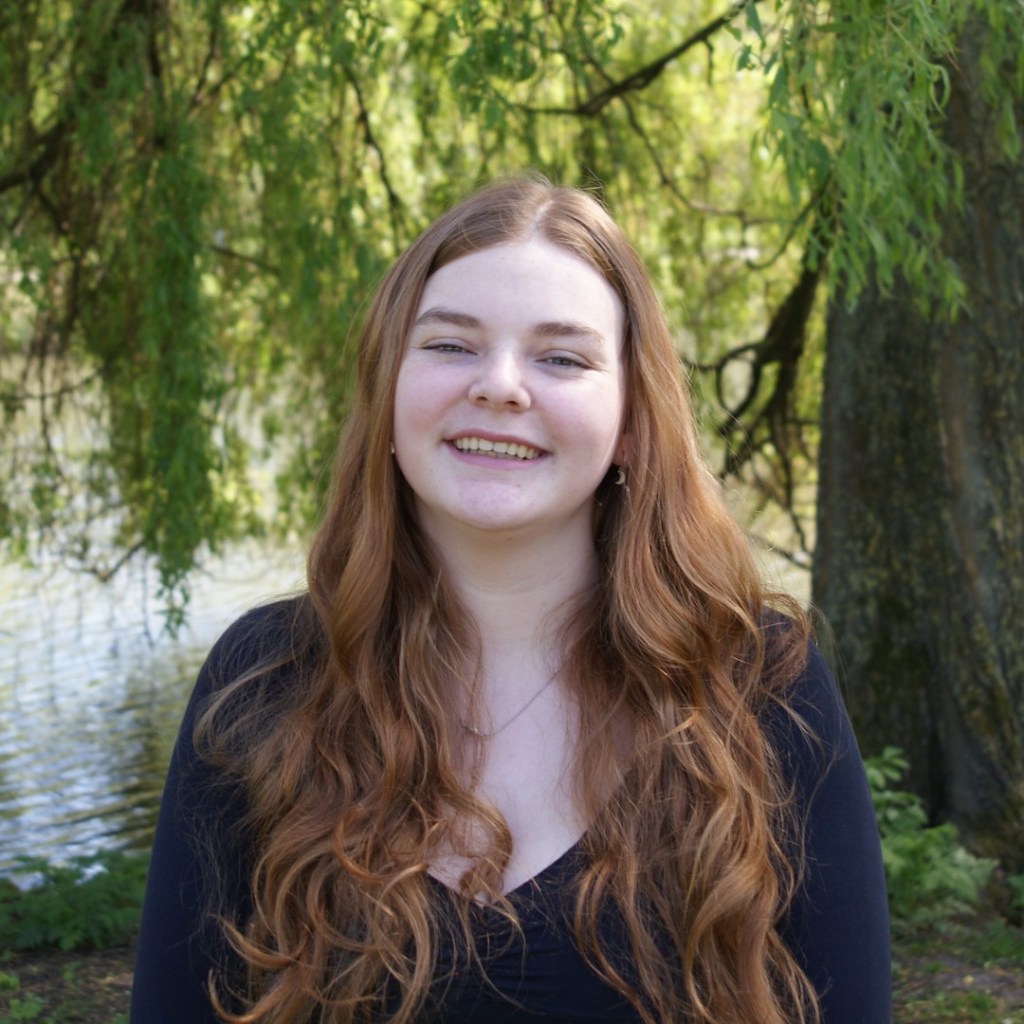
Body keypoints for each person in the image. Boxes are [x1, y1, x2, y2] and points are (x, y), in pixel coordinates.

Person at [131, 178, 891, 1024]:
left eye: (561, 357)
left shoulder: (760, 687)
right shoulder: (264, 680)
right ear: (387, 392)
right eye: (450, 345)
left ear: (632, 421)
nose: (499, 385)